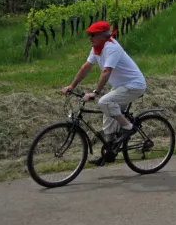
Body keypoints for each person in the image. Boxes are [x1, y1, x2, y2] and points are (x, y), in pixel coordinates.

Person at [62, 21, 147, 166]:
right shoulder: (97, 48)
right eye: (89, 35)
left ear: (103, 36)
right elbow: (86, 67)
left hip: (134, 85)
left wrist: (96, 92)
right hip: (121, 86)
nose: (90, 38)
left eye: (93, 35)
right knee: (108, 115)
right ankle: (110, 151)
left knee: (104, 102)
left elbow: (106, 71)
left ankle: (128, 128)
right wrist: (72, 85)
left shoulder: (112, 48)